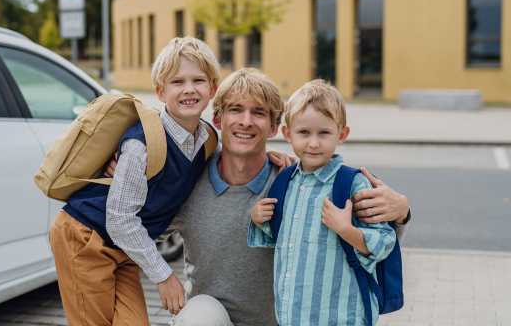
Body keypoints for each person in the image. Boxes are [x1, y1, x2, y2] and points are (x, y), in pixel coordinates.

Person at [166, 69, 411, 326]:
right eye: (236, 110)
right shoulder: (189, 183)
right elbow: (137, 229)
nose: (246, 121)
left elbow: (380, 241)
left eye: (258, 112)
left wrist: (402, 212)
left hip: (295, 320)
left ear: (273, 128)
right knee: (198, 314)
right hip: (215, 318)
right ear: (217, 118)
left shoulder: (289, 180)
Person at [48, 36, 222, 325]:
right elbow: (119, 218)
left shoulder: (206, 140)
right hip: (85, 237)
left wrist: (271, 155)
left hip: (125, 248)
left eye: (198, 80)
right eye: (177, 82)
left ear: (212, 88)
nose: (189, 89)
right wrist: (164, 275)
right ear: (161, 92)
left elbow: (229, 156)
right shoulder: (142, 143)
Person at [249, 79, 397, 326]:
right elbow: (282, 238)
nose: (314, 143)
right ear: (288, 134)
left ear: (342, 134)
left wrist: (346, 230)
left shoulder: (352, 184)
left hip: (340, 315)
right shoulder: (285, 181)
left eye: (324, 133)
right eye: (304, 133)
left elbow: (385, 241)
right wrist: (258, 218)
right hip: (292, 314)